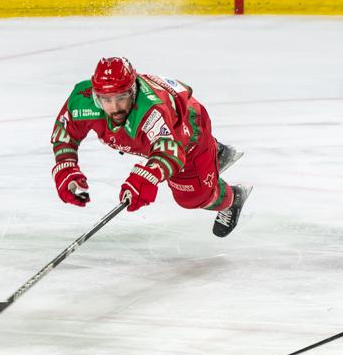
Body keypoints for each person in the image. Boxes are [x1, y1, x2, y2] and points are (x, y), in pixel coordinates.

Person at [50, 57, 251, 237]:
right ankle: (215, 154)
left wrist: (147, 176)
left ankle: (233, 197)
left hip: (189, 132)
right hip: (162, 126)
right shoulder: (82, 98)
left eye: (121, 97)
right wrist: (65, 164)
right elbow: (66, 131)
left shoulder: (151, 110)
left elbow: (169, 151)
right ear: (95, 95)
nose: (115, 107)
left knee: (191, 198)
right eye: (106, 99)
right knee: (139, 139)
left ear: (133, 91)